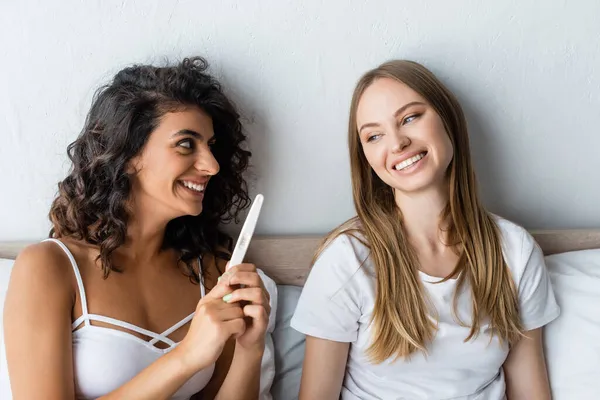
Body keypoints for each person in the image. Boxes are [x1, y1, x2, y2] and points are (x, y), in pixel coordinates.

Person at [291, 60, 560, 399]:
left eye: (410, 118)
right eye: (374, 136)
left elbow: (531, 391)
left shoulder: (515, 250)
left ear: (447, 119)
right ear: (367, 159)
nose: (398, 142)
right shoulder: (347, 260)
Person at [4, 56, 270, 400]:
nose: (212, 165)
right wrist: (186, 357)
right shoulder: (49, 267)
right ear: (129, 153)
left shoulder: (214, 271)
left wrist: (251, 349)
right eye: (186, 143)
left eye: (211, 146)